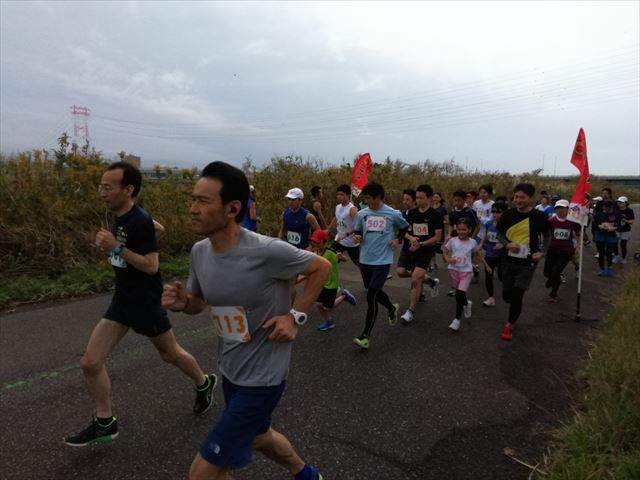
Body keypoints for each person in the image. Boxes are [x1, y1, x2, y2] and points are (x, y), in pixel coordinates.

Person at [162, 161, 330, 480]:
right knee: (258, 436)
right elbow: (198, 302)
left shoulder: (266, 251)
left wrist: (294, 317)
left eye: (203, 201)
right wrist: (185, 303)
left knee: (201, 473)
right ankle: (306, 474)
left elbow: (321, 267)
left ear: (232, 209)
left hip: (265, 377)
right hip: (231, 367)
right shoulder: (199, 252)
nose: (193, 209)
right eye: (193, 199)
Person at [65, 162, 216, 447]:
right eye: (100, 186)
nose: (102, 192)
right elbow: (156, 227)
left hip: (146, 302)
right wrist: (143, 231)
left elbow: (151, 265)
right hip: (123, 300)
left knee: (170, 354)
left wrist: (116, 247)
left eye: (108, 187)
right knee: (90, 362)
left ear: (128, 189)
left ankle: (203, 382)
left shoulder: (138, 220)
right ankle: (105, 421)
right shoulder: (124, 216)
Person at [352, 182, 409, 349]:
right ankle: (391, 308)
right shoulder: (362, 214)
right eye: (365, 198)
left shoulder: (392, 213)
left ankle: (365, 336)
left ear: (378, 197)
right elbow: (358, 231)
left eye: (369, 198)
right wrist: (357, 237)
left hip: (383, 261)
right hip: (365, 260)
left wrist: (398, 239)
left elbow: (404, 227)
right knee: (374, 292)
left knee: (371, 296)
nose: (366, 201)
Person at [496, 183, 550, 341]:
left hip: (528, 263)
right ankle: (512, 307)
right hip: (507, 260)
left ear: (531, 198)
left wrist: (542, 252)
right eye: (516, 197)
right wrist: (507, 244)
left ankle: (510, 324)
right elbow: (499, 234)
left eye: (522, 197)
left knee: (517, 295)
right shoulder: (507, 214)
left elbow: (548, 236)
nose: (518, 200)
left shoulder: (539, 216)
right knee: (507, 295)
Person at [397, 184, 444, 323]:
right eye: (417, 198)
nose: (418, 200)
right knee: (400, 272)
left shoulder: (436, 215)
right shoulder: (412, 213)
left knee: (415, 279)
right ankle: (430, 280)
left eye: (421, 198)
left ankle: (410, 311)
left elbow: (437, 237)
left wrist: (421, 244)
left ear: (429, 198)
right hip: (411, 248)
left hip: (425, 250)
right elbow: (403, 232)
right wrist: (411, 239)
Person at [305, 229, 357, 331]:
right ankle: (329, 322)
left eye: (317, 242)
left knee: (328, 307)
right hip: (322, 283)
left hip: (332, 284)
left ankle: (344, 296)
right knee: (319, 304)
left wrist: (341, 257)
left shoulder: (330, 252)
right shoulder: (315, 252)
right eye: (313, 242)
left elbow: (344, 259)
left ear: (324, 242)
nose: (314, 244)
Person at [442, 218, 480, 331]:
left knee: (459, 294)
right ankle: (466, 303)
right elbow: (445, 251)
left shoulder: (473, 242)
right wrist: (448, 259)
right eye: (459, 229)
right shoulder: (452, 241)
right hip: (454, 270)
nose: (461, 232)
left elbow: (477, 254)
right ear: (456, 229)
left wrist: (480, 258)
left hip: (466, 272)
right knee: (459, 294)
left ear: (470, 230)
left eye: (464, 229)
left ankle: (457, 320)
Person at [544, 199, 582, 302]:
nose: (560, 210)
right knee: (547, 272)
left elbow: (579, 233)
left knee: (556, 272)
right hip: (552, 249)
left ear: (568, 209)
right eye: (557, 208)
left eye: (562, 208)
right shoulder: (551, 221)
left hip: (566, 250)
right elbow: (546, 234)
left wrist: (578, 246)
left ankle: (553, 294)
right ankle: (551, 278)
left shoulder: (572, 221)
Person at [446, 190, 479, 295]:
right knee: (455, 263)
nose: (457, 203)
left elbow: (477, 226)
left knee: (465, 262)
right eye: (455, 200)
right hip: (456, 241)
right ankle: (456, 287)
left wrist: (471, 240)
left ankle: (462, 287)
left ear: (464, 200)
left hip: (468, 242)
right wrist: (449, 234)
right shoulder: (453, 212)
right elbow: (451, 224)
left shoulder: (470, 211)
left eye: (459, 200)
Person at [477, 201, 508, 307]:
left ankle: (509, 290)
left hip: (502, 255)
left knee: (501, 276)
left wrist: (503, 244)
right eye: (493, 212)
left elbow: (511, 238)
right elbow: (485, 235)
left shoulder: (506, 225)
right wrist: (480, 244)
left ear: (504, 213)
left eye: (498, 212)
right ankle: (491, 298)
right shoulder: (488, 223)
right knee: (488, 277)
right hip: (490, 254)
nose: (495, 214)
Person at [328, 184, 360, 265]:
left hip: (351, 242)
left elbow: (359, 226)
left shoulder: (352, 209)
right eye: (338, 194)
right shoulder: (338, 207)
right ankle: (339, 258)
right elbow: (336, 218)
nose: (339, 196)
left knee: (358, 263)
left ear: (348, 195)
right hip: (339, 240)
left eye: (341, 194)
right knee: (330, 260)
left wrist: (346, 234)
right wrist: (328, 230)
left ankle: (343, 258)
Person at [594, 200, 620, 277]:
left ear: (611, 207)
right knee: (601, 253)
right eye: (604, 207)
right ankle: (601, 269)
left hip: (611, 235)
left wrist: (614, 228)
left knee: (609, 253)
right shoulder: (599, 214)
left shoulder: (616, 214)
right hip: (600, 235)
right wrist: (599, 226)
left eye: (608, 208)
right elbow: (595, 223)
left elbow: (620, 225)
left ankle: (609, 268)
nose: (605, 209)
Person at [613, 196, 634, 264]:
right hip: (617, 229)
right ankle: (616, 256)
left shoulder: (629, 211)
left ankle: (623, 258)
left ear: (626, 203)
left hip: (626, 230)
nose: (619, 203)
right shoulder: (616, 210)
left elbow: (632, 221)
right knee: (614, 243)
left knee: (623, 245)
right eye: (618, 202)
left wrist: (626, 221)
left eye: (621, 202)